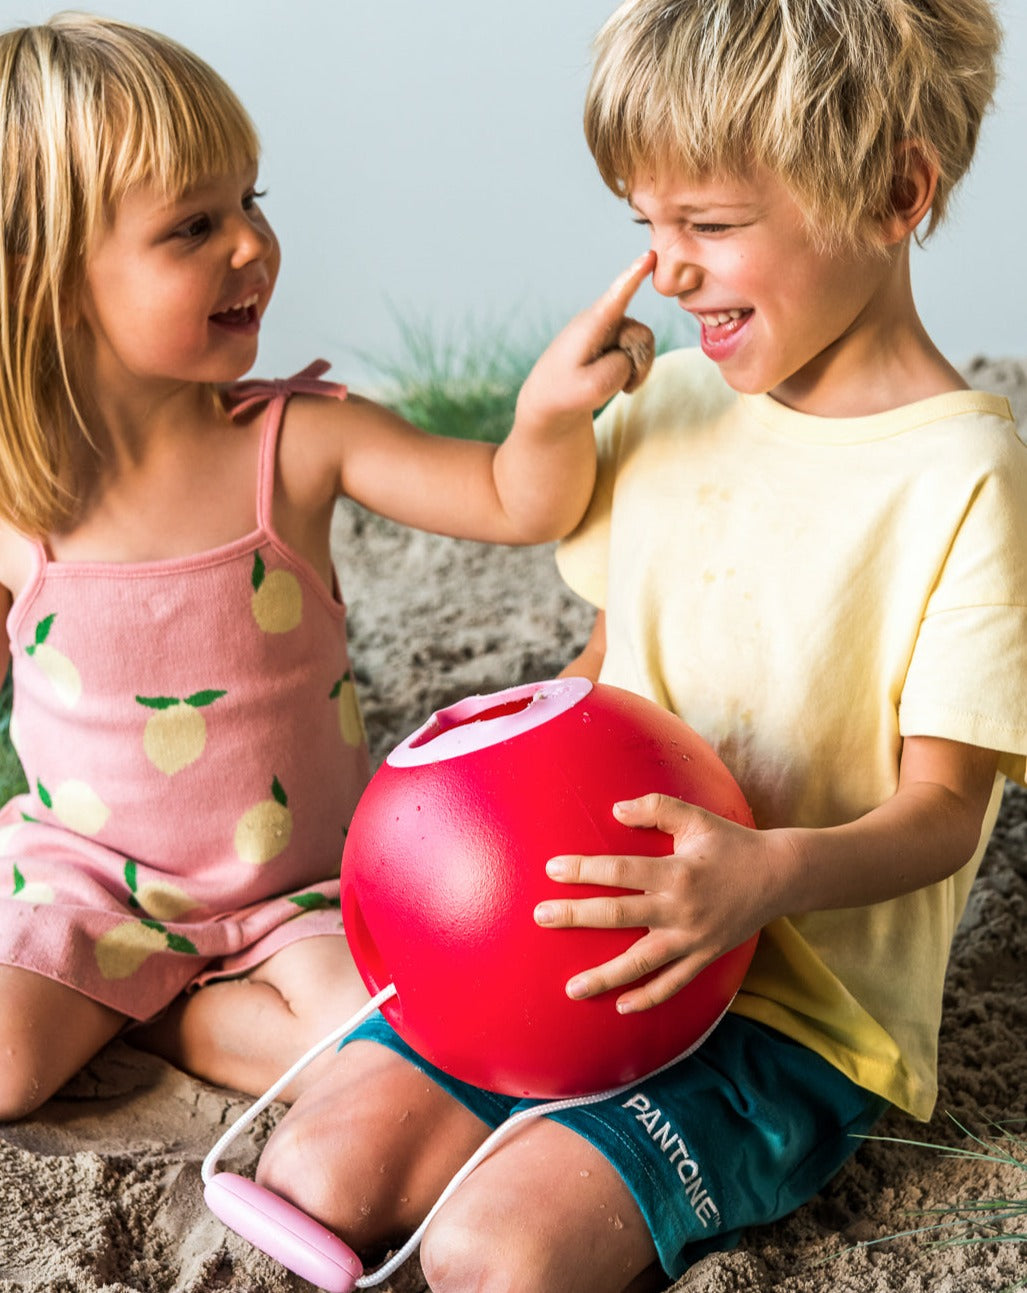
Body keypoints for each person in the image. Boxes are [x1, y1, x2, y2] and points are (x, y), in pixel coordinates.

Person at [256, 1, 1027, 1289]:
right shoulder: (667, 403)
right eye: (645, 227)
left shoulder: (966, 474)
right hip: (564, 951)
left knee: (496, 1252)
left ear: (895, 193)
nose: (665, 271)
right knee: (317, 1175)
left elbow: (946, 812)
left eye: (710, 226)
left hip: (787, 1012)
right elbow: (598, 673)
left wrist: (762, 876)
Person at [0, 13, 655, 1123]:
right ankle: (133, 984)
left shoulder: (300, 441)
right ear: (52, 278)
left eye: (252, 202)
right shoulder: (19, 500)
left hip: (301, 885)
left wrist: (546, 410)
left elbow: (513, 498)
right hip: (91, 881)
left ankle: (165, 1012)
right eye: (193, 227)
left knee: (386, 1051)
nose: (251, 246)